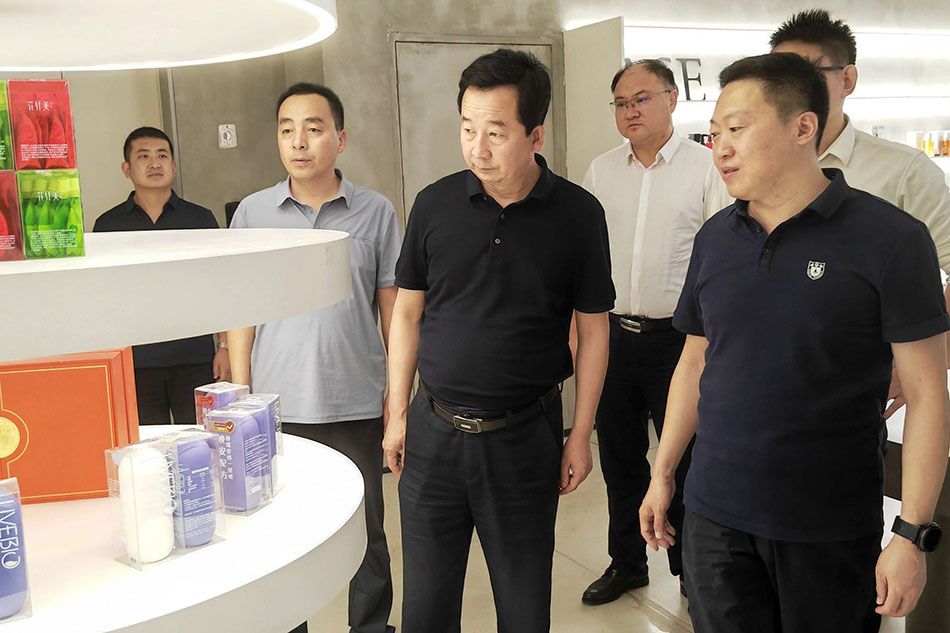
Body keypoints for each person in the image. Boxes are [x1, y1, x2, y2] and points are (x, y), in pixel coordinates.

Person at [640, 52, 949, 633]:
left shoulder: (891, 240)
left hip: (828, 526)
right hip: (714, 518)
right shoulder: (716, 238)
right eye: (715, 133)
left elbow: (930, 394)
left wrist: (910, 534)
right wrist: (663, 473)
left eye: (737, 129)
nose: (720, 148)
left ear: (803, 126)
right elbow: (695, 362)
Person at [383, 48, 614, 633]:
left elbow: (593, 330)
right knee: (425, 610)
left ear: (535, 135)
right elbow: (407, 312)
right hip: (433, 432)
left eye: (495, 132)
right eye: (467, 129)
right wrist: (397, 414)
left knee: (523, 607)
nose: (477, 148)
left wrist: (580, 434)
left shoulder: (578, 214)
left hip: (524, 439)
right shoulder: (434, 204)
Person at [228, 83, 400, 633]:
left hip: (355, 399)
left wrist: (398, 398)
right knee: (279, 533)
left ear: (340, 139)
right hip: (275, 405)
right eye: (287, 130)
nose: (299, 142)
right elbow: (241, 312)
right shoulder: (253, 213)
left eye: (313, 128)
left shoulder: (375, 211)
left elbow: (394, 311)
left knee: (365, 530)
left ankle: (369, 626)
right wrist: (241, 399)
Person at [579, 59, 731, 605]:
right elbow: (586, 258)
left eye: (642, 99)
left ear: (671, 99)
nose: (631, 111)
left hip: (680, 342)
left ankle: (692, 571)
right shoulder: (600, 171)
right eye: (621, 103)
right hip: (613, 338)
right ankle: (627, 563)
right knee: (620, 460)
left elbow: (723, 257)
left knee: (686, 461)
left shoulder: (706, 168)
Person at [770, 9, 950, 416]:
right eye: (778, 76)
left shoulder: (903, 171)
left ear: (847, 79)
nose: (792, 88)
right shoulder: (748, 168)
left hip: (856, 391)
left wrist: (927, 362)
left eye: (808, 72)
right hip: (755, 385)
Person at [93, 126, 229, 424]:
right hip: (136, 361)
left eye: (162, 155)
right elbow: (105, 297)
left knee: (201, 439)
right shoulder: (108, 225)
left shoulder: (200, 219)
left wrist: (224, 347)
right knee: (146, 444)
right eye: (143, 156)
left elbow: (217, 286)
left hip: (195, 355)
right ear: (126, 169)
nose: (155, 163)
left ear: (174, 166)